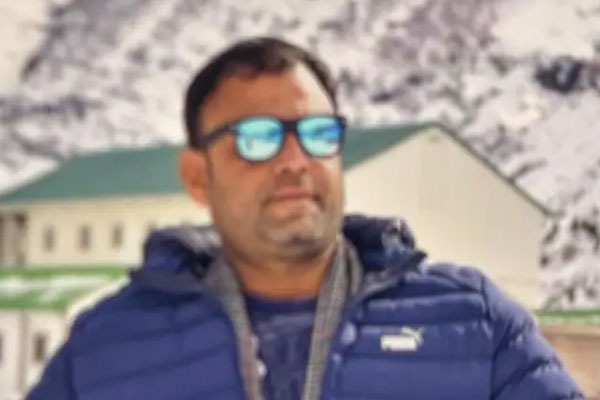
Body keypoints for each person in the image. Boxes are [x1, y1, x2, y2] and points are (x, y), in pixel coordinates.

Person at [26, 37, 583, 400]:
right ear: (198, 176)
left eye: (317, 134)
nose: (295, 160)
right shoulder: (111, 346)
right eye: (258, 138)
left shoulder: (471, 323)